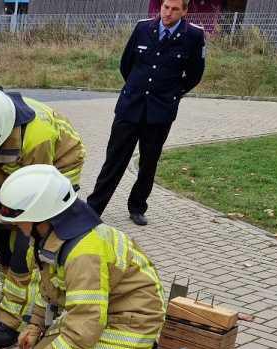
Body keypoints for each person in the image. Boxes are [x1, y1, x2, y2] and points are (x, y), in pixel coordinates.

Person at [0, 165, 202, 349]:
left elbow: (84, 328)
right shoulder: (50, 238)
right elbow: (49, 287)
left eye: (20, 221)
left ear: (42, 216)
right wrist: (35, 325)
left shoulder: (84, 253)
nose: (18, 227)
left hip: (132, 322)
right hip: (106, 313)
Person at [0, 88, 85, 349]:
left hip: (53, 174)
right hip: (21, 171)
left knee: (24, 250)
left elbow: (27, 205)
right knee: (3, 243)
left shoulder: (38, 139)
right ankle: (7, 299)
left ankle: (14, 321)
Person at [86, 0, 206, 225]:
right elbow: (126, 64)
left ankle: (137, 206)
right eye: (165, 7)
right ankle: (93, 209)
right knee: (114, 159)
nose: (168, 13)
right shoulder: (143, 28)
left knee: (149, 162)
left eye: (174, 9)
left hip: (160, 112)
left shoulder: (193, 36)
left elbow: (194, 74)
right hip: (130, 106)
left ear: (185, 11)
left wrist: (171, 94)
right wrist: (136, 88)